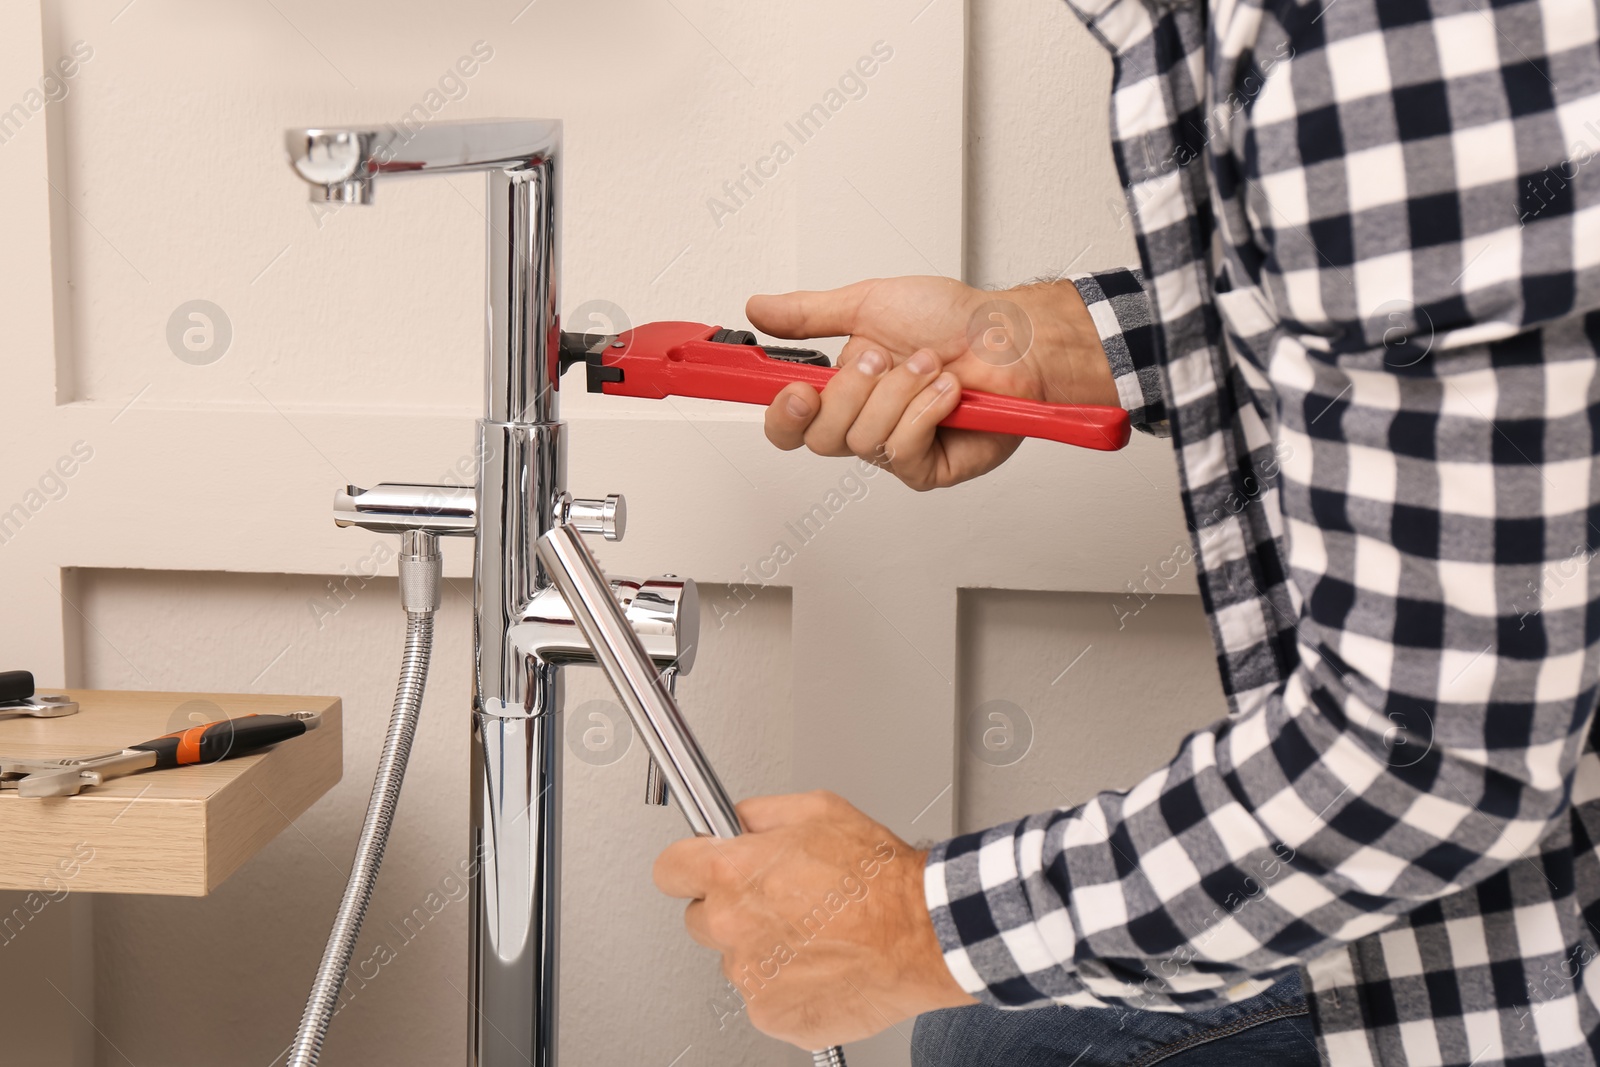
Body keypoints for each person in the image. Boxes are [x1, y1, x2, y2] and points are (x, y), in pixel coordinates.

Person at [651, 0, 1600, 1064]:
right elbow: (1457, 307)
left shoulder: (1371, 40)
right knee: (993, 1041)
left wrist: (914, 925)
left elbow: (1431, 757)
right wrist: (1048, 343)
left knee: (1000, 1044)